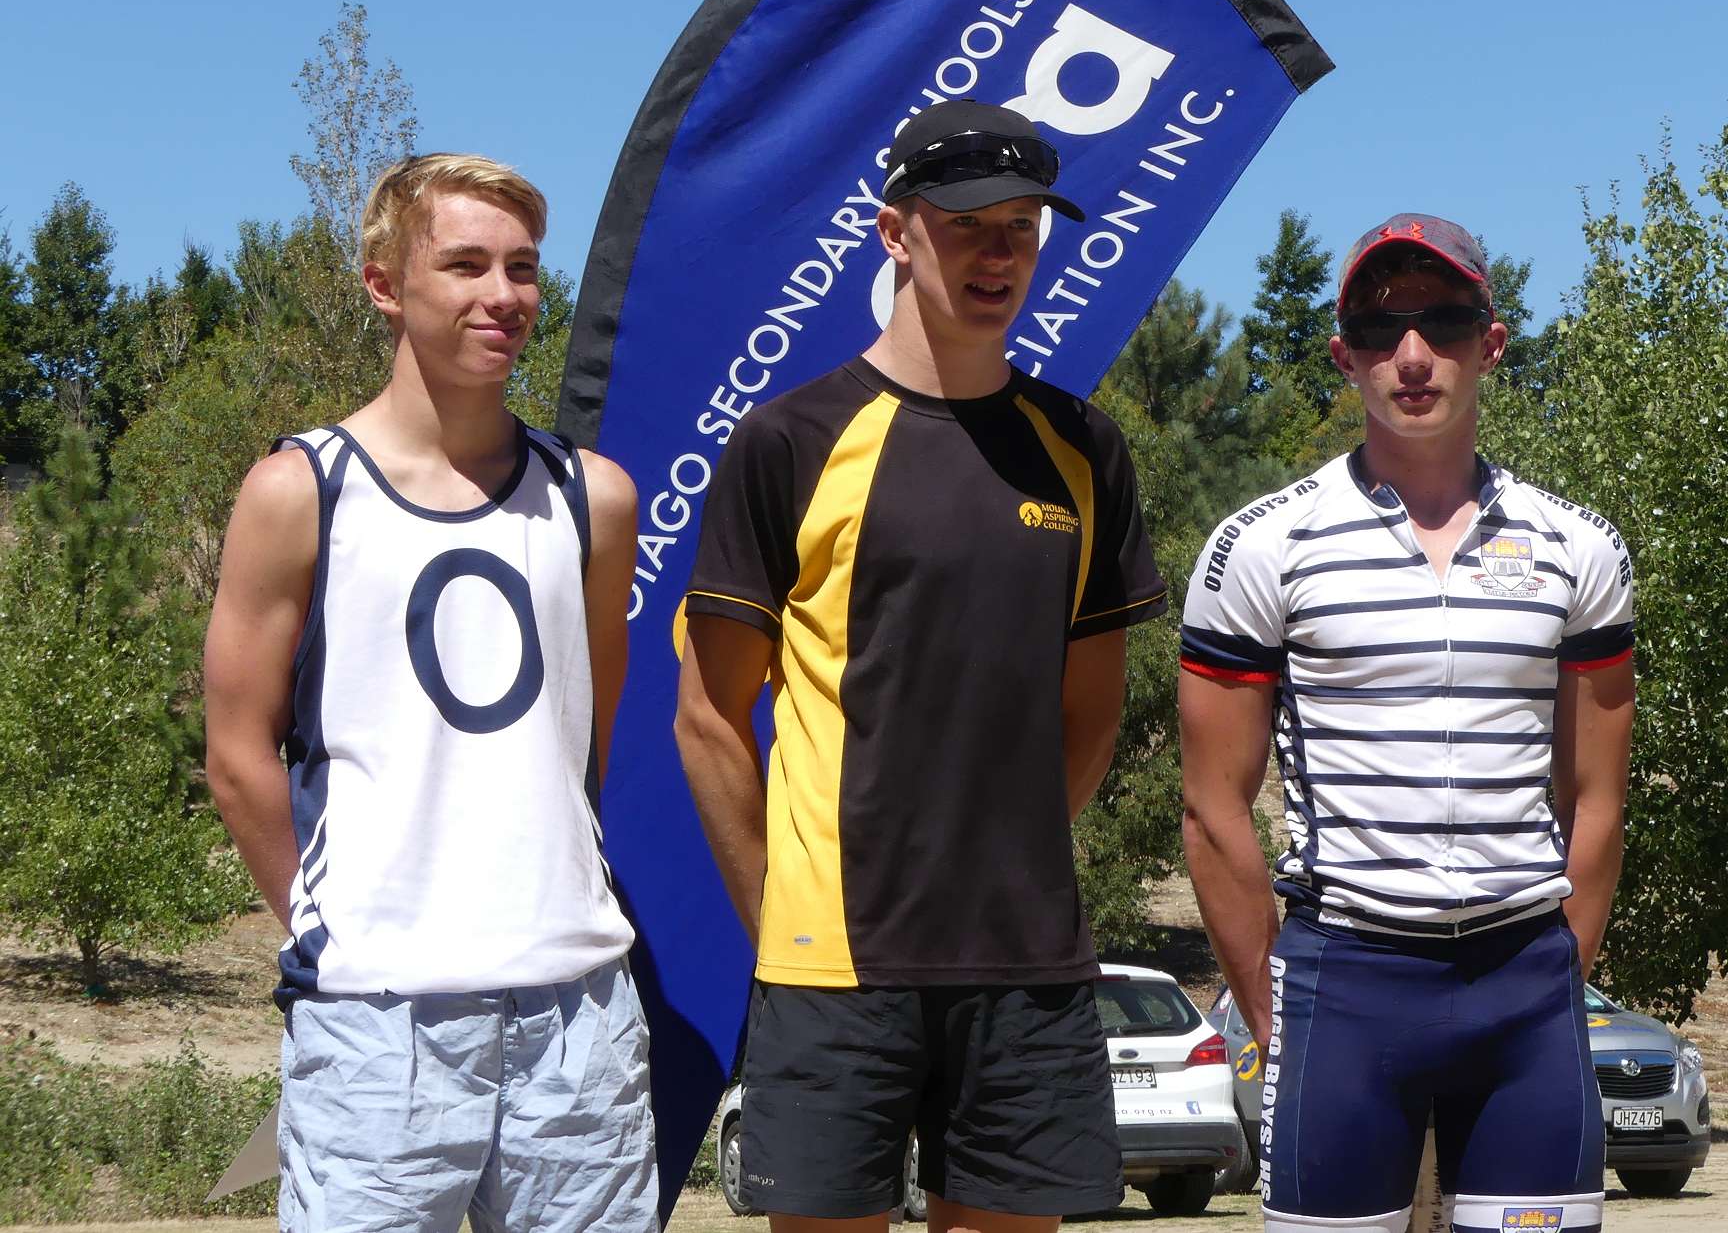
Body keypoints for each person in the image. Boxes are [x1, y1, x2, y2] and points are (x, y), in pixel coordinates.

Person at [675, 101, 1167, 1232]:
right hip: (831, 966)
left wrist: (1001, 856)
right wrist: (779, 918)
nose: (999, 255)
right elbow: (707, 716)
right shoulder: (788, 441)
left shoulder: (1083, 449)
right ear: (894, 232)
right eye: (967, 225)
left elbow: (1090, 716)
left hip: (1027, 963)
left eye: (1021, 228)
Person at [204, 154, 658, 1233]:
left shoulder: (592, 499)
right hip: (378, 1024)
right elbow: (237, 756)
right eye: (464, 265)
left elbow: (588, 736)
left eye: (521, 268)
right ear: (384, 285)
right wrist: (342, 928)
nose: (502, 295)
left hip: (578, 1016)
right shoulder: (298, 492)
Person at [1179, 214, 1635, 1233]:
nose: (1413, 354)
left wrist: (1557, 976)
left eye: (1445, 322)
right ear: (1343, 354)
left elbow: (1597, 799)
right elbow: (1212, 808)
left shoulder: (1579, 547)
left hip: (1525, 987)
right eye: (1379, 329)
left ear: (1492, 343)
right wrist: (1275, 1019)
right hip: (1343, 983)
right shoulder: (1261, 546)